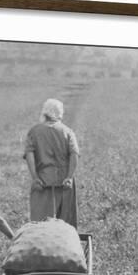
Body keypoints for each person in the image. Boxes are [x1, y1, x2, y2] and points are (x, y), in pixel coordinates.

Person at [23, 98, 80, 228]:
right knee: (65, 226)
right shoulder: (67, 131)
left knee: (40, 225)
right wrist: (69, 178)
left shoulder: (34, 131)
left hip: (42, 183)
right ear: (60, 114)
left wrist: (35, 178)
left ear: (44, 113)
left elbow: (29, 155)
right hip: (64, 184)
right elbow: (74, 154)